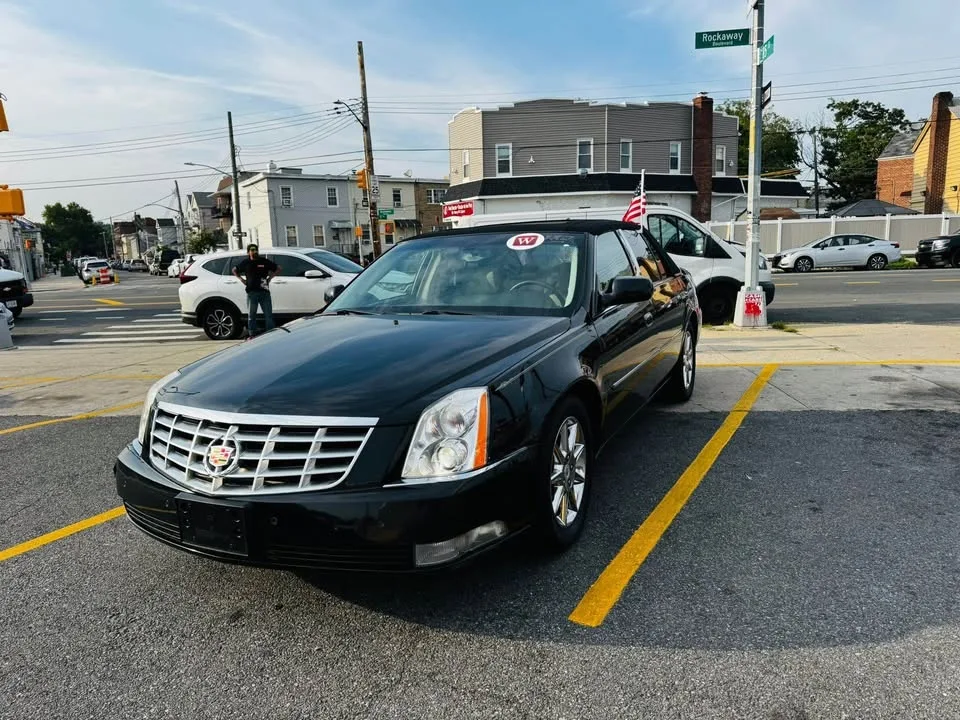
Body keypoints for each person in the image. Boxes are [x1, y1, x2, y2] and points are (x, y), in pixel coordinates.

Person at [233, 244, 280, 338]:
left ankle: (271, 334)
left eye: (255, 250)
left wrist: (270, 278)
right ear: (248, 252)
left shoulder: (264, 261)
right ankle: (252, 334)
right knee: (251, 315)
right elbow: (234, 270)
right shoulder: (246, 262)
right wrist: (242, 280)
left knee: (268, 315)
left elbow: (278, 268)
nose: (254, 252)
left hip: (264, 292)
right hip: (252, 292)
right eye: (252, 250)